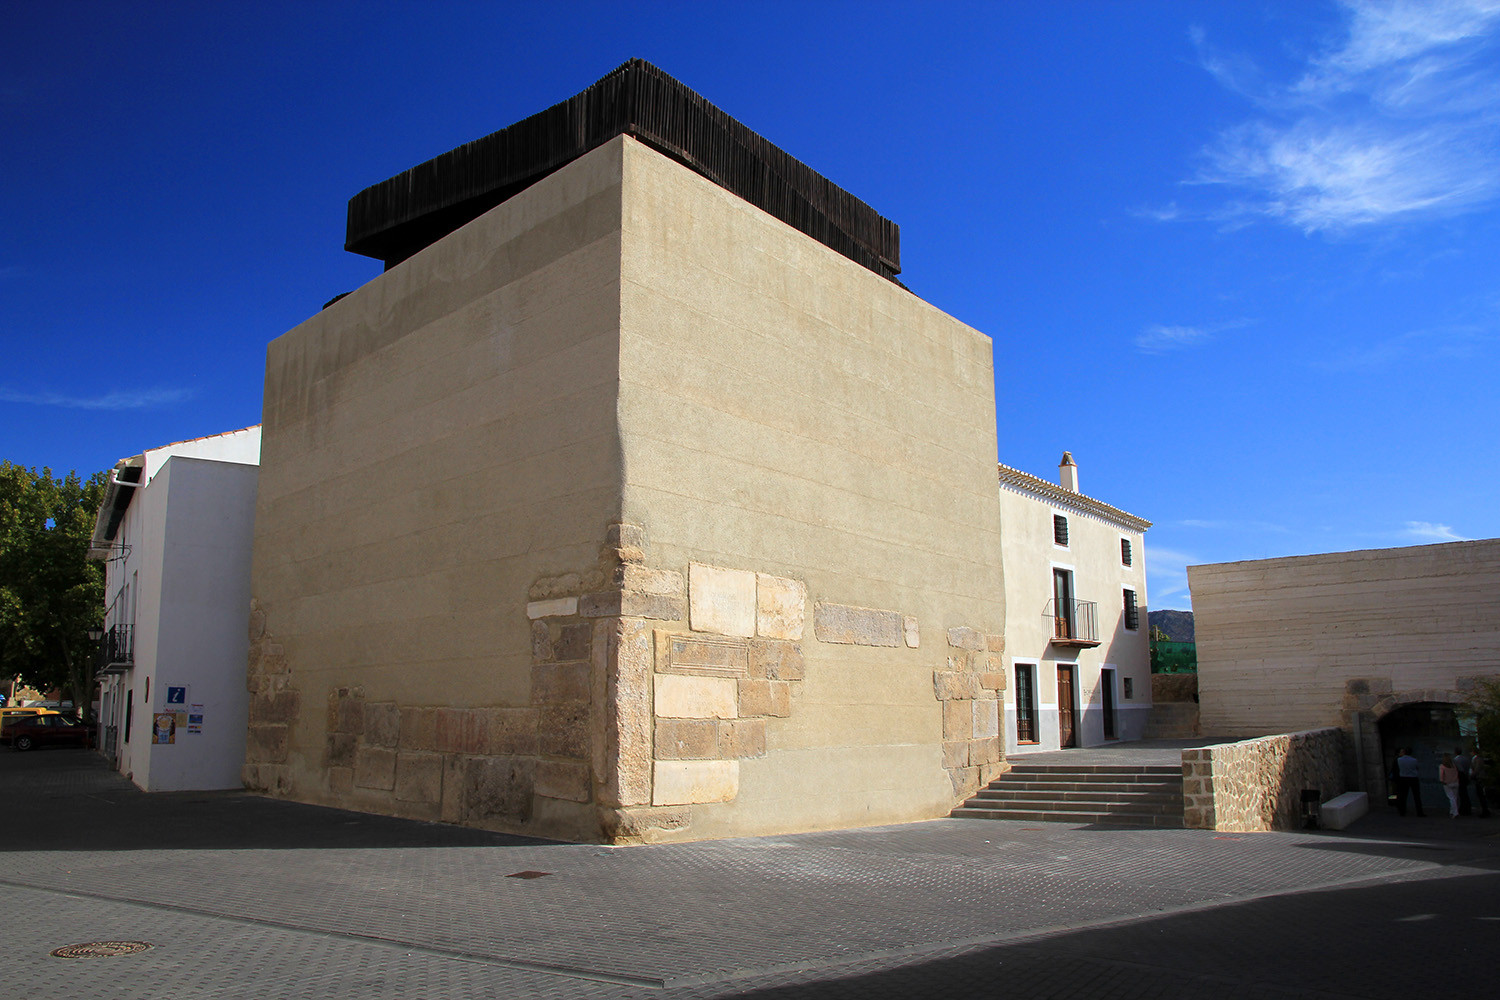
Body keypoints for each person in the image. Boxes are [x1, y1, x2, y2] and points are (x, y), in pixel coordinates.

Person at [1395, 748, 1425, 817]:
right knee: (1416, 796)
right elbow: (1417, 767)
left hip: (1403, 778)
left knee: (1403, 795)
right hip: (1413, 778)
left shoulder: (1399, 760)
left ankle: (1402, 811)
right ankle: (1419, 812)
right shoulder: (1414, 760)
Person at [1472, 747, 1492, 818]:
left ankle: (1485, 811)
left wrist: (1472, 774)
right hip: (1479, 777)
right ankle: (1485, 810)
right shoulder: (1478, 759)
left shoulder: (1478, 759)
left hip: (1479, 777)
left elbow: (1477, 768)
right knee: (1480, 795)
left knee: (1481, 794)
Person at [1439, 753, 1460, 818]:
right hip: (1455, 782)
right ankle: (1452, 811)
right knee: (1455, 798)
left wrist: (1442, 781)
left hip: (1447, 783)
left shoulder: (1442, 766)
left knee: (1451, 798)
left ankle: (1455, 812)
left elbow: (1441, 775)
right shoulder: (1454, 765)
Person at [1453, 746, 1473, 816]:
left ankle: (1464, 808)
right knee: (1464, 793)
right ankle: (1466, 807)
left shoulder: (1455, 760)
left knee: (1462, 793)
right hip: (1465, 776)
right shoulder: (1466, 759)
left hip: (1460, 777)